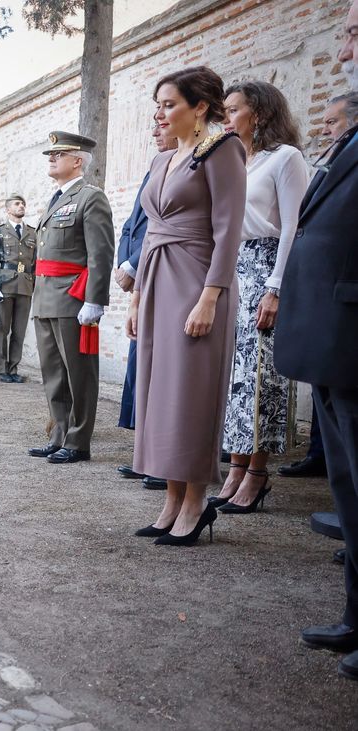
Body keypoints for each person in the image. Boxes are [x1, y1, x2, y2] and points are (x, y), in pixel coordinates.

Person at [130, 66, 247, 546]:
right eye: (157, 105)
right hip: (158, 282)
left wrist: (210, 298)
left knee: (190, 395)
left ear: (199, 107)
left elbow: (229, 231)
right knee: (160, 394)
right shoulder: (162, 161)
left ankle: (196, 503)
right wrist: (137, 296)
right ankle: (171, 502)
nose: (159, 113)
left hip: (199, 284)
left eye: (169, 104)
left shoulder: (222, 150)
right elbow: (150, 231)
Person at [277, 0, 358, 681]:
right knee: (349, 488)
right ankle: (356, 616)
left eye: (356, 32)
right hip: (336, 343)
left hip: (353, 336)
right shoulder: (348, 147)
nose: (345, 46)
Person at [212, 80, 310, 514]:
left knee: (260, 374)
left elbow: (293, 227)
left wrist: (275, 288)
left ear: (260, 113)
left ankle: (257, 473)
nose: (226, 118)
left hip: (266, 267)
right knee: (232, 375)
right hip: (232, 268)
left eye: (233, 110)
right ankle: (234, 467)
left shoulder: (286, 158)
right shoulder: (235, 161)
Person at [279, 91, 357, 479]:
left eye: (333, 121)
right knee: (329, 406)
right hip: (320, 299)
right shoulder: (333, 157)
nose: (324, 129)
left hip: (343, 299)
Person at [28, 131, 113, 465]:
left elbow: (100, 253)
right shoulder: (56, 199)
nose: (52, 158)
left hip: (72, 298)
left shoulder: (90, 198)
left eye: (59, 153)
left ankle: (78, 441)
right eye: (50, 154)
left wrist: (95, 300)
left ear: (77, 160)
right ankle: (59, 434)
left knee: (78, 372)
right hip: (46, 296)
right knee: (53, 373)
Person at [114, 125, 177, 489]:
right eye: (152, 124)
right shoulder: (155, 167)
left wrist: (133, 265)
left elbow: (161, 225)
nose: (154, 131)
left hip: (162, 270)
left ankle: (163, 461)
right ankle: (146, 455)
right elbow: (130, 226)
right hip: (141, 274)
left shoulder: (184, 167)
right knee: (141, 366)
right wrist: (125, 264)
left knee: (162, 370)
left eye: (164, 124)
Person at [0, 196, 36, 384]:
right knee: (2, 330)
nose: (21, 206)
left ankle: (13, 368)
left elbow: (35, 263)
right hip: (4, 285)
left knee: (19, 331)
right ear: (8, 210)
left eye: (23, 203)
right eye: (17, 204)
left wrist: (34, 287)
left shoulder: (32, 233)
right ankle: (2, 369)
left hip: (25, 286)